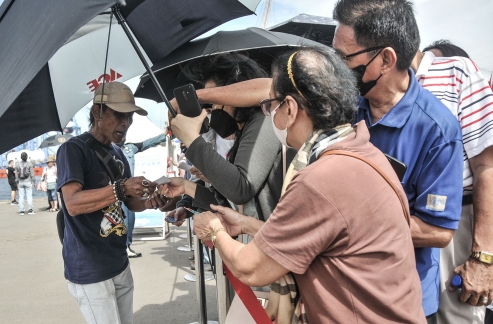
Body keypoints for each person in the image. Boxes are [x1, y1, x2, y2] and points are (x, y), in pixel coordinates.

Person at [161, 46, 426, 323]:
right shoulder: (361, 151)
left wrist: (213, 229)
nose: (269, 115)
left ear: (289, 108)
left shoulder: (320, 179)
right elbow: (314, 237)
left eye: (270, 106)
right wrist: (246, 223)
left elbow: (251, 268)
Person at [331, 0, 463, 321]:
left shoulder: (436, 129)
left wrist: (349, 223)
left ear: (386, 59)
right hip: (343, 293)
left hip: (400, 304)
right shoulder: (344, 108)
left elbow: (438, 232)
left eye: (345, 58)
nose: (337, 68)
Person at [56, 81, 167, 324]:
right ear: (97, 112)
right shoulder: (73, 150)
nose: (126, 122)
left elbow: (130, 202)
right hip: (90, 267)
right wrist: (120, 188)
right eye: (119, 114)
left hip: (118, 261)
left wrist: (151, 200)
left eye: (129, 115)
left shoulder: (118, 154)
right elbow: (72, 203)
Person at [412, 42, 493, 323]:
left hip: (458, 217)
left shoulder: (458, 73)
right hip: (409, 220)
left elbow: (486, 166)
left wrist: (483, 258)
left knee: (456, 314)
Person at [167, 53, 286, 225]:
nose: (213, 110)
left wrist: (192, 140)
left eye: (214, 101)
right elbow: (228, 203)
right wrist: (186, 187)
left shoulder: (264, 120)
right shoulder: (243, 133)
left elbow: (242, 189)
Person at [120, 131, 167, 258]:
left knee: (129, 219)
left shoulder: (130, 148)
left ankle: (127, 246)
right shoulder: (106, 152)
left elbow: (148, 143)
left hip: (130, 195)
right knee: (119, 222)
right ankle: (121, 248)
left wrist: (166, 134)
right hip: (115, 194)